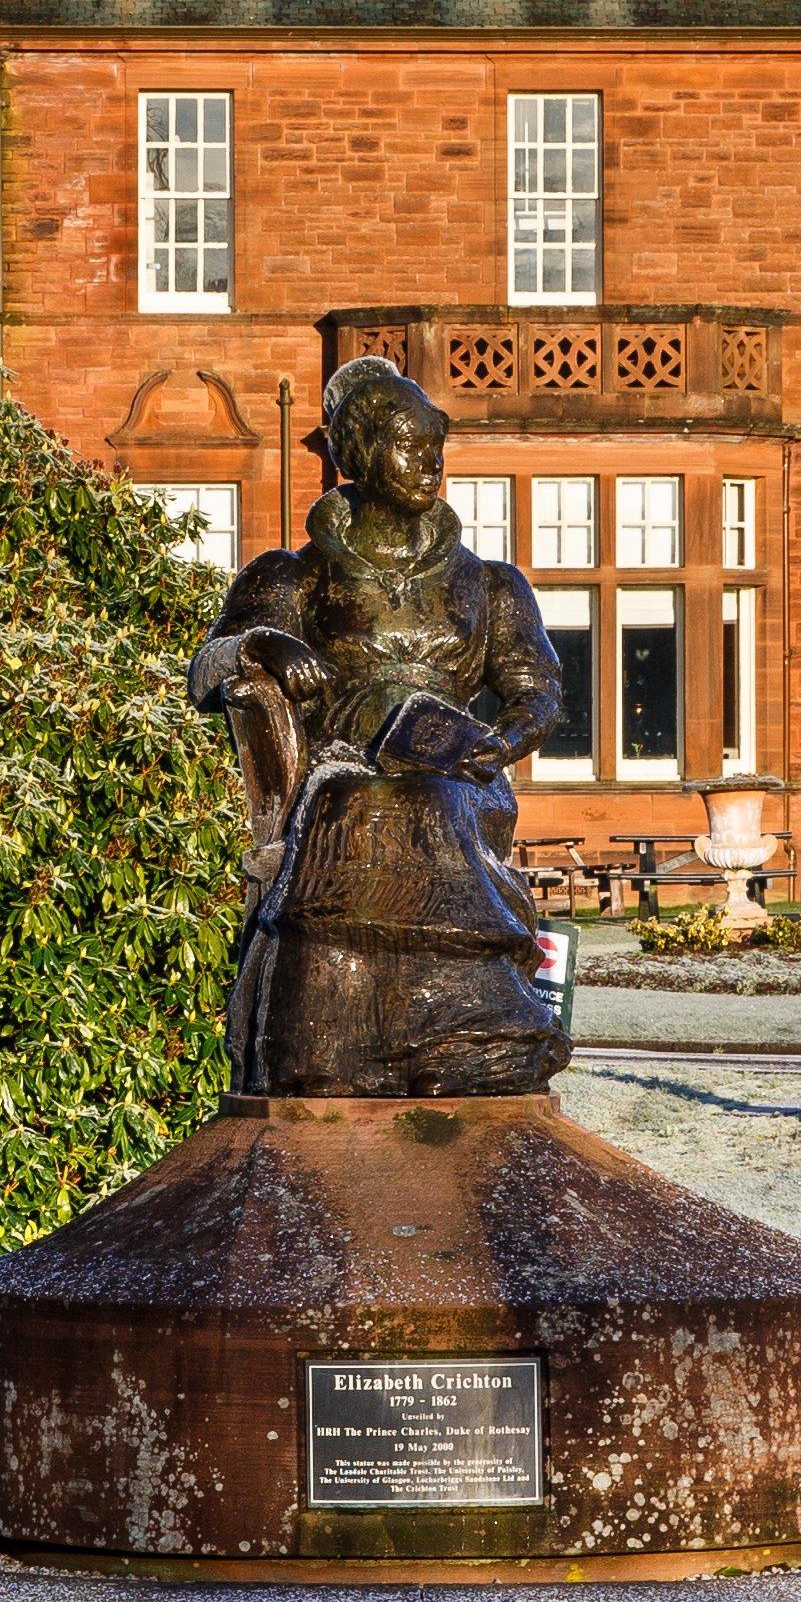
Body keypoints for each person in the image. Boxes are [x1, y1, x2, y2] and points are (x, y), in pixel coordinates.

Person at [187, 359, 574, 1097]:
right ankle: (357, 1042)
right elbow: (208, 668)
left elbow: (539, 689)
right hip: (344, 770)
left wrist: (505, 741)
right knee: (360, 804)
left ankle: (476, 1024)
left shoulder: (491, 583)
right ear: (358, 453)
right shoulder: (294, 576)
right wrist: (261, 645)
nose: (429, 463)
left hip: (458, 775)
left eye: (436, 445)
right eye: (407, 445)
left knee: (429, 797)